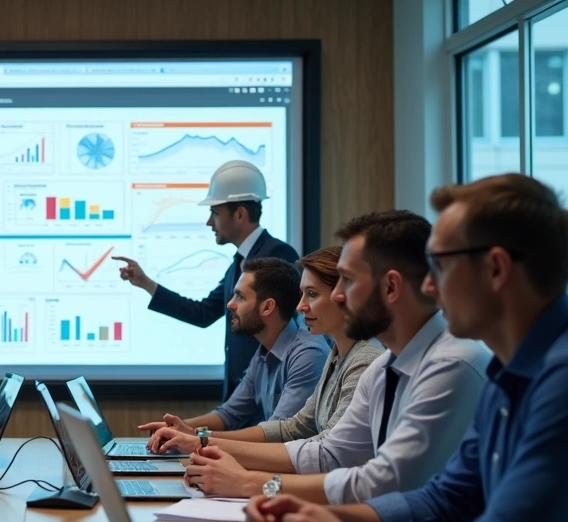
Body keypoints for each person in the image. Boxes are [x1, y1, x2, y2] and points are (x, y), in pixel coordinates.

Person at [246, 174, 568, 522]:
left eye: (439, 266)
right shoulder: (511, 368)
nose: (430, 288)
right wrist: (315, 517)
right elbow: (447, 499)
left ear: (496, 269)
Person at [181, 210, 490, 504]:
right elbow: (332, 453)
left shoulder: (450, 365)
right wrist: (206, 444)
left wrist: (250, 483)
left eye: (348, 281)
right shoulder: (383, 367)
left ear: (391, 286)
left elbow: (387, 484)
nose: (339, 296)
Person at [143, 246, 383, 452]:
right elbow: (291, 428)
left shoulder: (324, 354)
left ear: (343, 296)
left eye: (311, 294)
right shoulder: (334, 356)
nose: (300, 307)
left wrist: (204, 444)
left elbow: (322, 452)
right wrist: (196, 435)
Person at [114, 160, 299, 397]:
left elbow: (286, 333)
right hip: (241, 398)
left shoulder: (277, 256)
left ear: (240, 214)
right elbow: (203, 313)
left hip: (268, 399)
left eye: (215, 212)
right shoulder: (239, 263)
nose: (209, 221)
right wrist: (146, 284)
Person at [141, 257, 329, 435]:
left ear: (267, 307)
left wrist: (196, 436)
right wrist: (177, 427)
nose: (230, 304)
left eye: (239, 296)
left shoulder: (308, 354)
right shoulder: (264, 352)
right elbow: (229, 415)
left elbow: (276, 433)